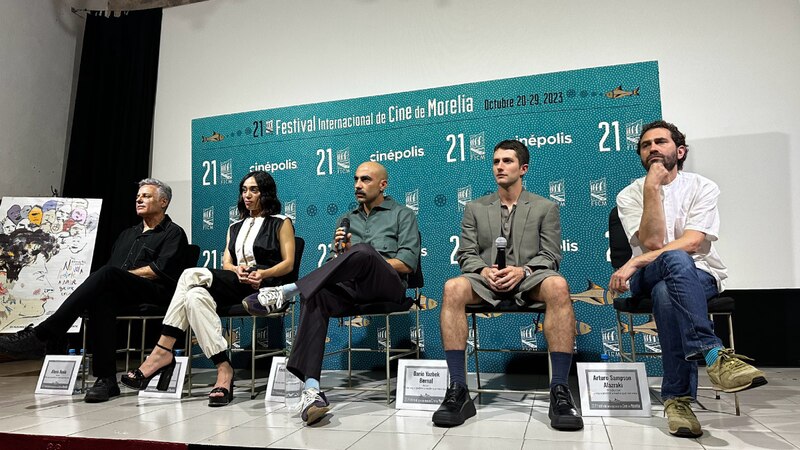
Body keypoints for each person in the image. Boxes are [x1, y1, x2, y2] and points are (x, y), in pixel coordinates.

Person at [609, 120, 766, 438]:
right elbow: (654, 243)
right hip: (648, 277)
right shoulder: (629, 195)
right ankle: (713, 354)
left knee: (669, 291)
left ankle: (677, 400)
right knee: (672, 261)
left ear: (679, 151)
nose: (652, 147)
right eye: (645, 144)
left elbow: (694, 243)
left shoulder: (703, 187)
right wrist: (652, 187)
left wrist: (636, 259)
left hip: (700, 274)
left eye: (661, 142)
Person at [242, 161, 420, 425]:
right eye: (356, 179)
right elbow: (339, 268)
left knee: (364, 252)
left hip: (388, 287)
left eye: (366, 180)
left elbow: (407, 263)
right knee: (316, 295)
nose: (358, 185)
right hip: (353, 290)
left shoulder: (402, 214)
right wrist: (343, 253)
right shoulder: (347, 219)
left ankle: (287, 290)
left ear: (383, 184)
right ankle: (312, 389)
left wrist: (360, 256)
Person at [433, 140, 583, 431]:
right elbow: (466, 254)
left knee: (558, 286)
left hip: (529, 279)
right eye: (496, 161)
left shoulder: (545, 207)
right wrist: (484, 271)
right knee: (453, 287)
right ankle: (458, 390)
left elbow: (551, 255)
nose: (499, 166)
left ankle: (560, 391)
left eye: (507, 161)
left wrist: (523, 270)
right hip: (485, 280)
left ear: (523, 168)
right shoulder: (474, 208)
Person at [0, 179, 189, 403]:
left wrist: (121, 276)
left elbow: (159, 270)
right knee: (101, 299)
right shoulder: (127, 234)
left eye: (146, 196)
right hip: (121, 291)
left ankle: (42, 335)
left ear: (163, 202)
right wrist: (115, 278)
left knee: (107, 275)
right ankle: (106, 380)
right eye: (138, 196)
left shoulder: (174, 233)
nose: (139, 199)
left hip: (155, 292)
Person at [121, 171, 295, 407]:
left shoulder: (281, 222)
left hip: (265, 289)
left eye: (253, 190)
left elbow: (288, 263)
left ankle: (163, 350)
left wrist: (262, 274)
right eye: (244, 190)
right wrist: (237, 271)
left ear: (266, 193)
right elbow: (227, 263)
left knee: (190, 279)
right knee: (193, 295)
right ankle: (224, 369)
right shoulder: (235, 227)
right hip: (237, 283)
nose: (247, 195)